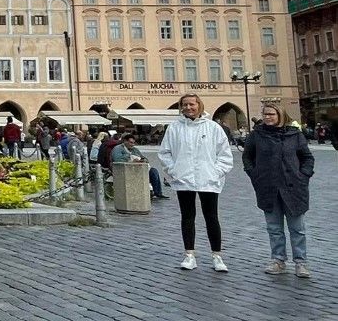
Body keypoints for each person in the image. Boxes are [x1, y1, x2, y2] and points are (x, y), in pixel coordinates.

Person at [158, 94, 234, 272]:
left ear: (199, 105)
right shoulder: (175, 128)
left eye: (192, 104)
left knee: (211, 217)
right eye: (184, 105)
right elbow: (165, 153)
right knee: (187, 217)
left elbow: (224, 154)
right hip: (183, 179)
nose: (188, 107)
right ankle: (189, 254)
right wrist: (174, 171)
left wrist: (216, 173)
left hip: (208, 179)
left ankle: (217, 256)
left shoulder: (213, 127)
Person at [242, 103, 314, 277]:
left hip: (294, 188)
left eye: (271, 114)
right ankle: (278, 260)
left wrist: (303, 175)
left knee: (297, 228)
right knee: (274, 228)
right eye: (265, 114)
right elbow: (247, 157)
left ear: (280, 115)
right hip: (268, 187)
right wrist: (255, 175)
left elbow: (307, 157)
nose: (268, 117)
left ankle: (301, 262)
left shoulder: (294, 134)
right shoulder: (256, 135)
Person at [110, 131, 167, 199]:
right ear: (125, 141)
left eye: (133, 143)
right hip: (125, 170)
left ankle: (157, 192)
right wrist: (130, 159)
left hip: (137, 169)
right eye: (131, 142)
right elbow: (117, 159)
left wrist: (143, 160)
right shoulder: (118, 149)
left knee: (154, 171)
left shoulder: (135, 150)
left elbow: (144, 158)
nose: (132, 145)